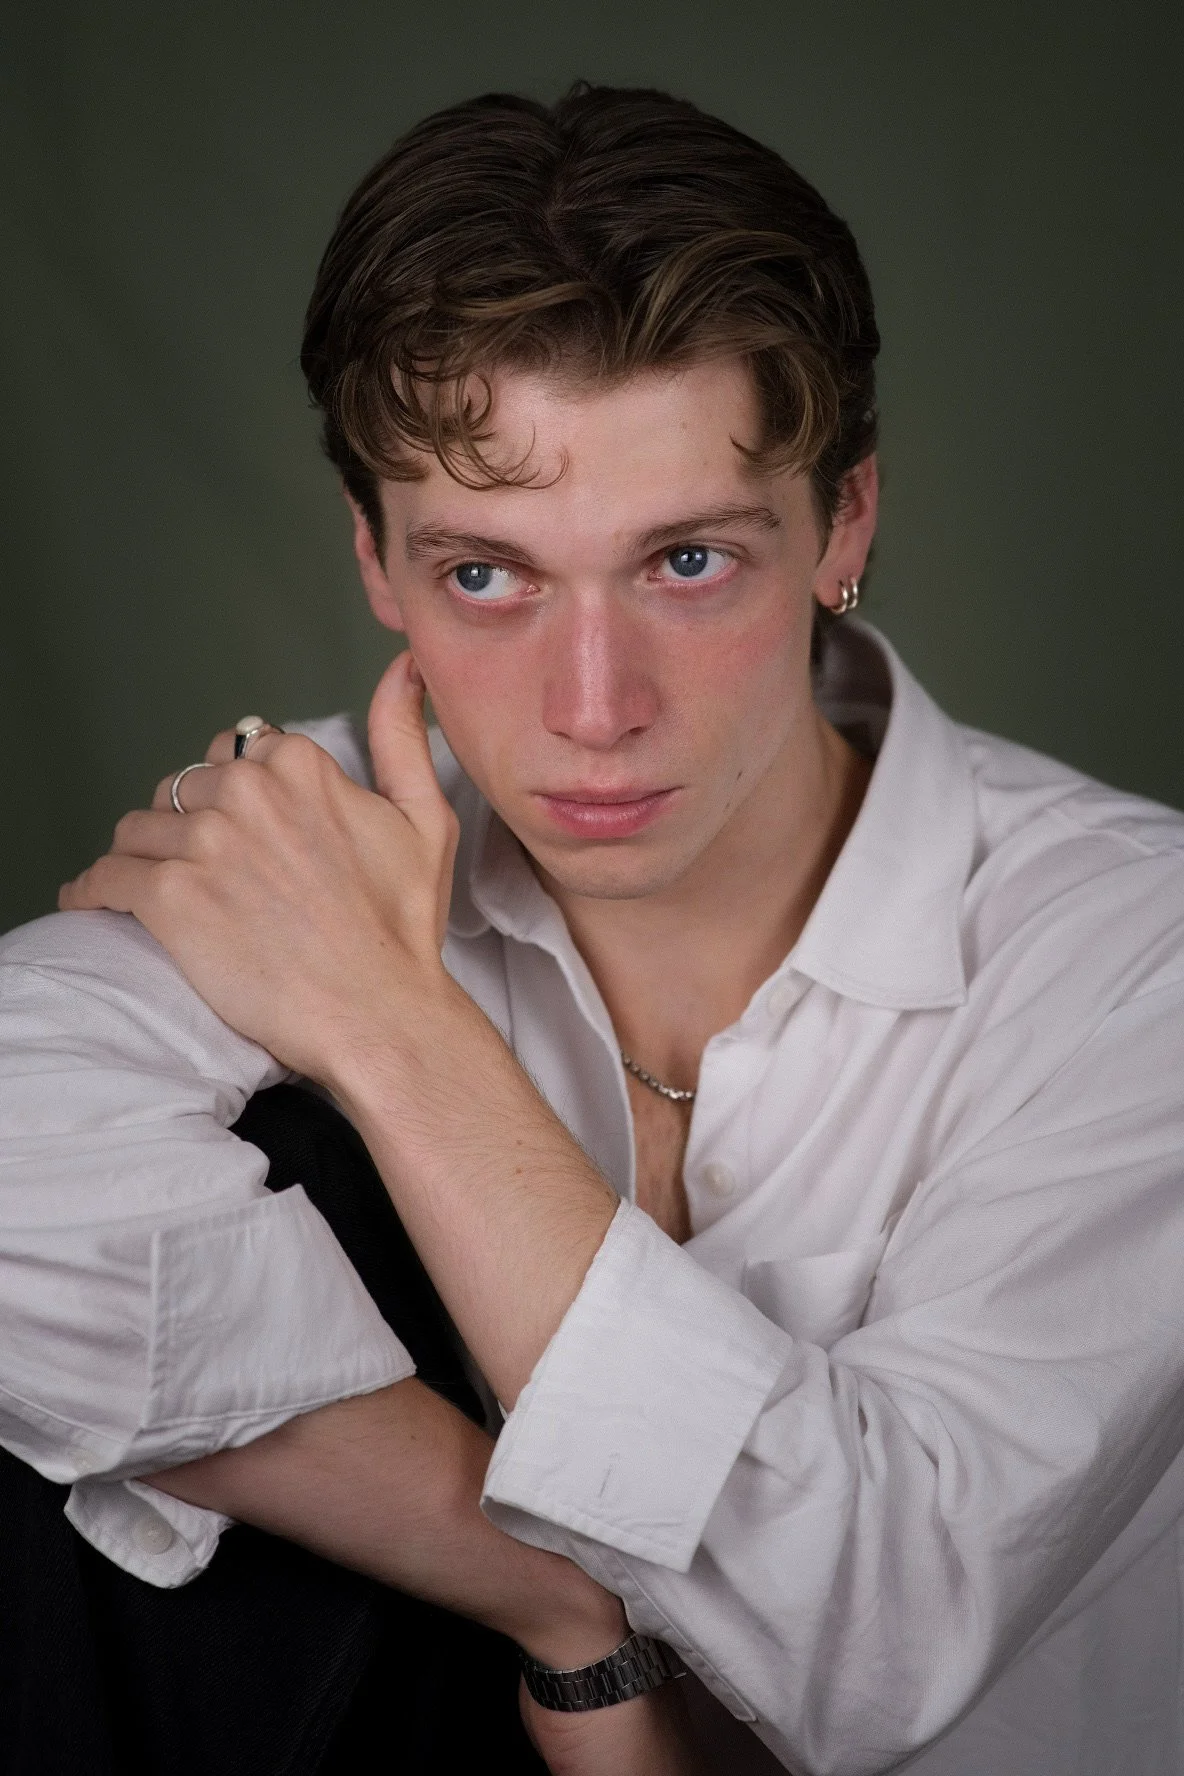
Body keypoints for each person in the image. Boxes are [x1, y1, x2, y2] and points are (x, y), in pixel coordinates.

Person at [3, 81, 1184, 1776]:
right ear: (377, 565)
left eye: (688, 560)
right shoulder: (320, 840)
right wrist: (555, 1605)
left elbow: (877, 1634)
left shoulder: (1138, 949)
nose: (591, 707)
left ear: (843, 522)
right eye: (487, 576)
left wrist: (396, 1038)